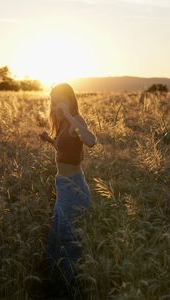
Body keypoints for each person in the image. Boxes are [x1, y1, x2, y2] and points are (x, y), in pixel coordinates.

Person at [39, 83, 97, 299]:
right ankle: (58, 283)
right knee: (58, 236)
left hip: (73, 188)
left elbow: (91, 141)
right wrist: (50, 141)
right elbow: (66, 151)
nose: (55, 106)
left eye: (58, 101)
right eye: (53, 102)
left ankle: (70, 289)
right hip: (63, 187)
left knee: (69, 240)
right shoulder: (63, 124)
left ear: (69, 100)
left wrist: (70, 116)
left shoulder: (75, 121)